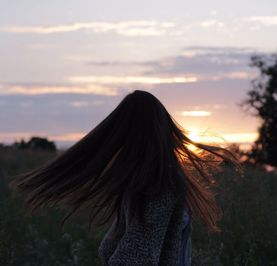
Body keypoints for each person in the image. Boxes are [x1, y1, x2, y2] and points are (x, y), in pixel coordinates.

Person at [9, 90, 241, 265]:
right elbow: (133, 252)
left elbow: (131, 253)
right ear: (162, 129)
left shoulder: (155, 184)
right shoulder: (154, 183)